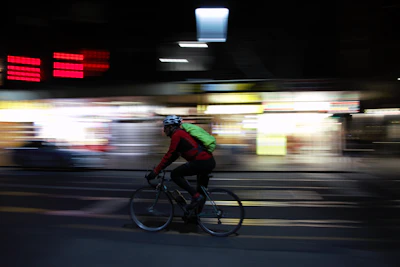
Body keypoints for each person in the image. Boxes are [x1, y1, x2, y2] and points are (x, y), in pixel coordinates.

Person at [146, 115, 216, 210]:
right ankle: (194, 217)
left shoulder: (177, 135)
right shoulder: (181, 134)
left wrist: (155, 172)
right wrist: (159, 169)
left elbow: (169, 155)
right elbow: (173, 156)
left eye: (165, 127)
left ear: (171, 127)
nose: (164, 130)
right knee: (200, 192)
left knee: (175, 174)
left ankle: (196, 197)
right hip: (207, 161)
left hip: (202, 162)